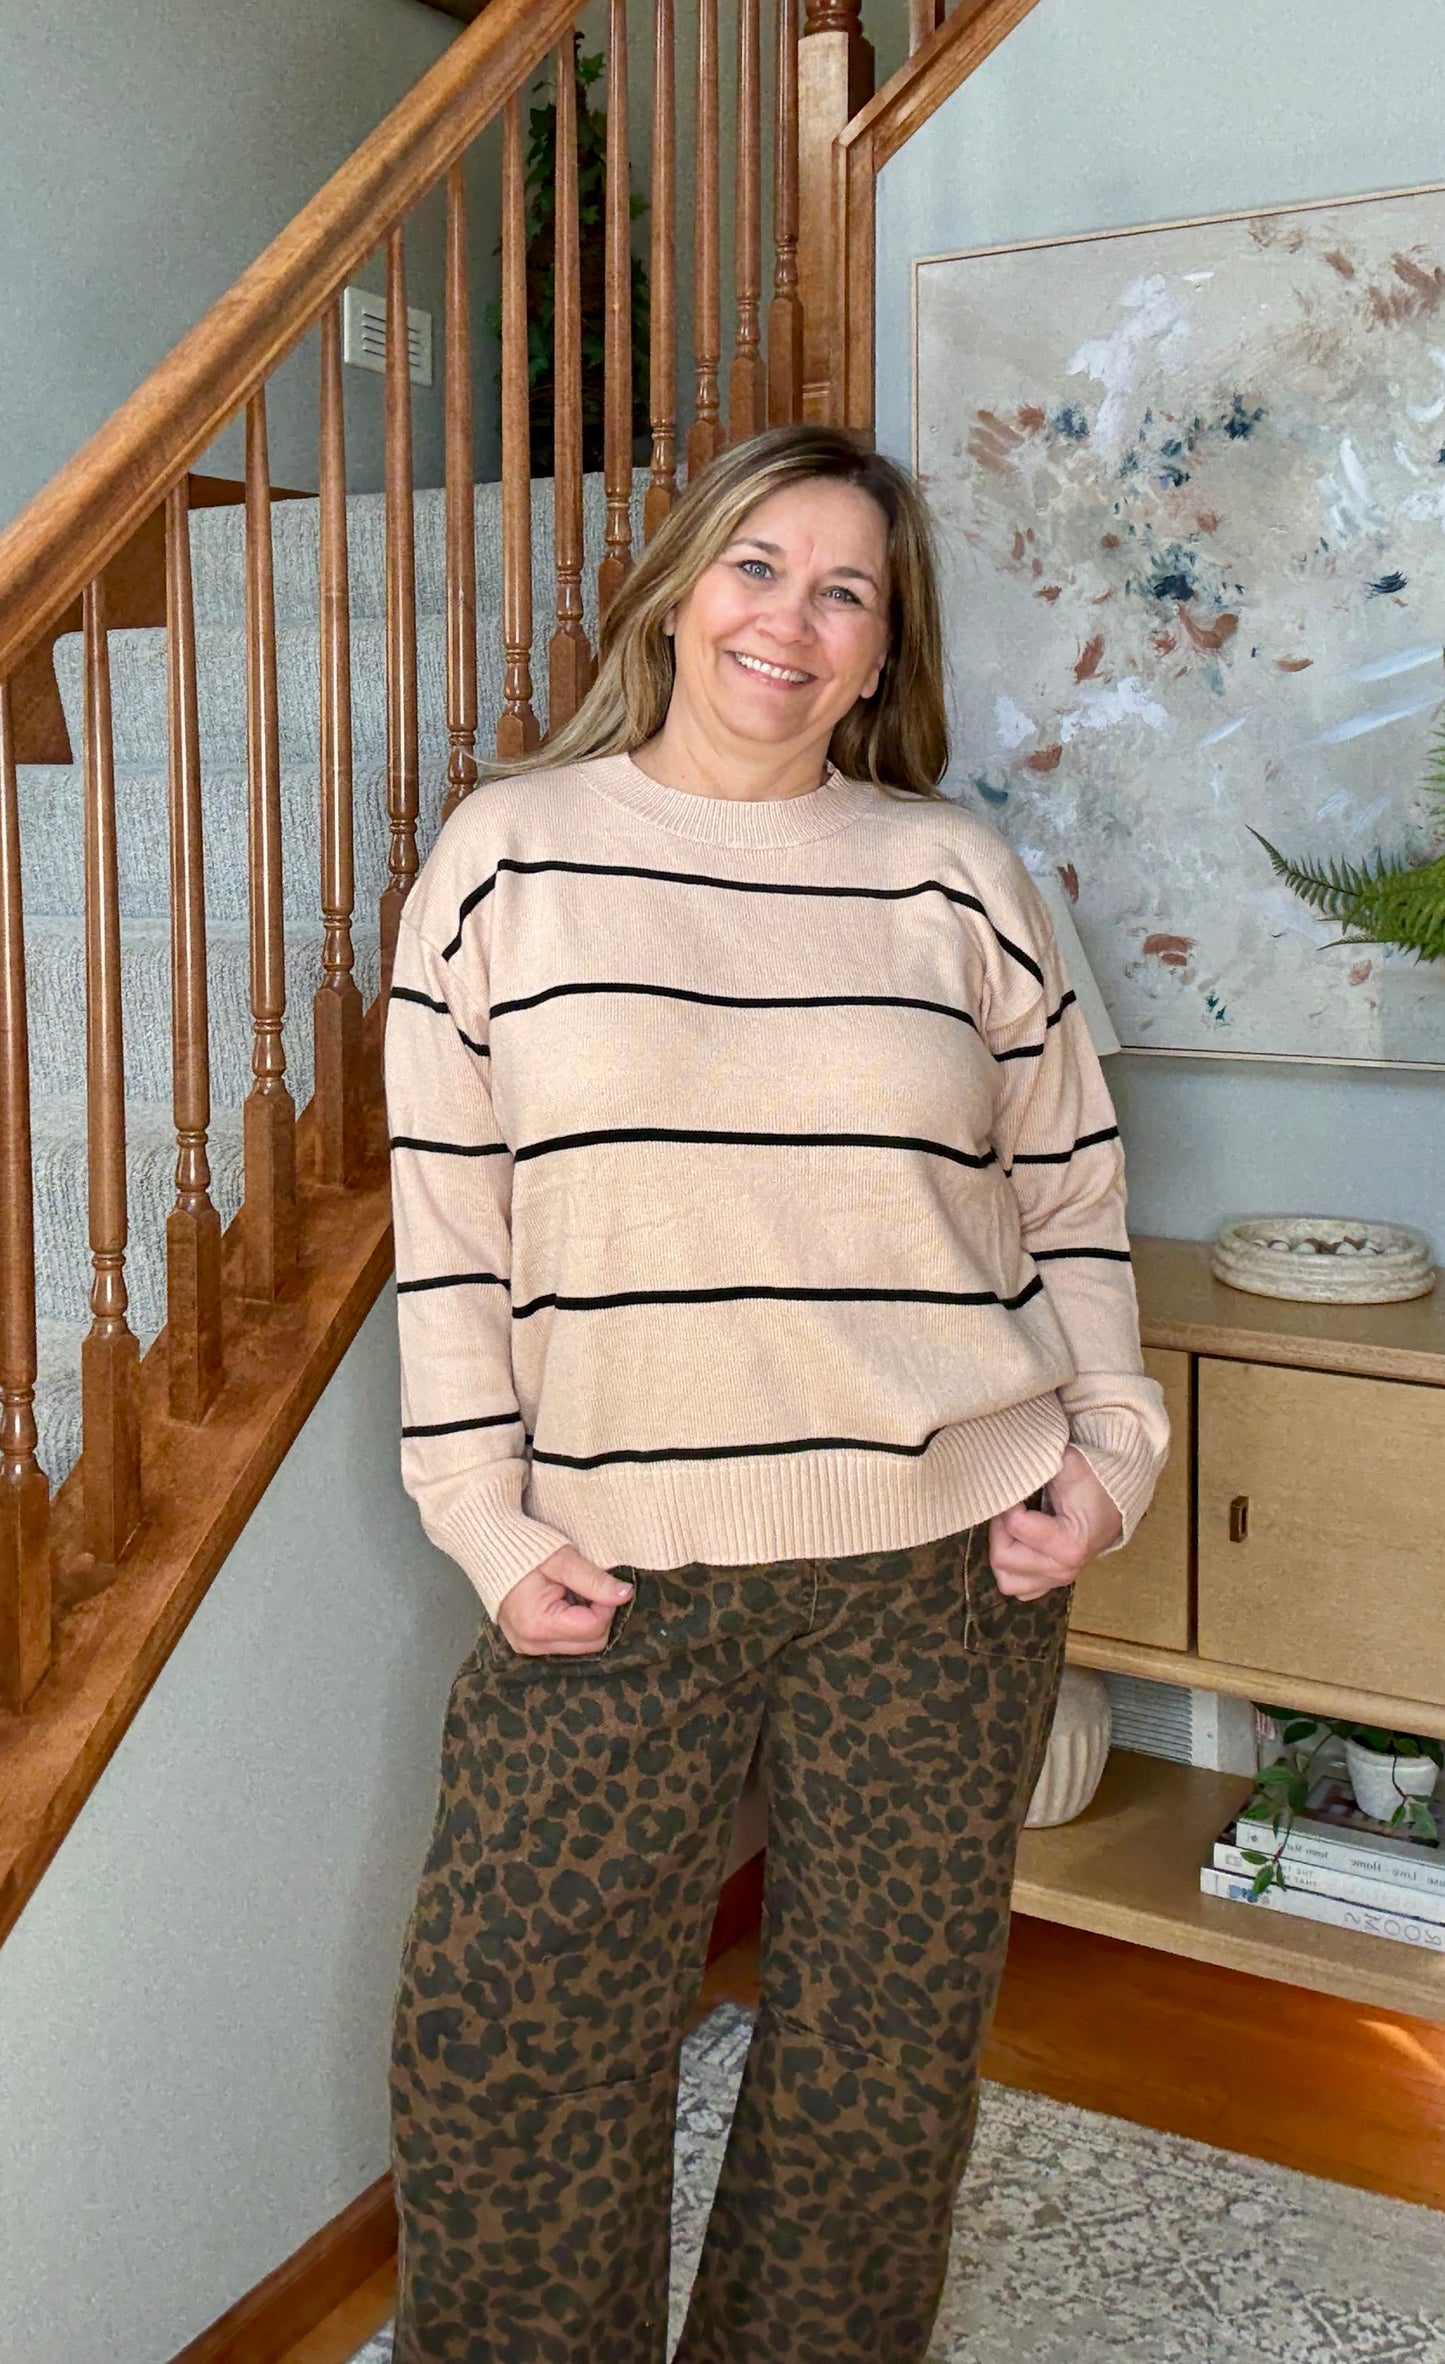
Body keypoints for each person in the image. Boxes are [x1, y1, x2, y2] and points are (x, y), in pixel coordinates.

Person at [384, 422, 1168, 2364]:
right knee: (508, 2043)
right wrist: (480, 1519)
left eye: (844, 592)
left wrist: (1115, 1446)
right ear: (678, 591)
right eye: (757, 565)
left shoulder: (953, 876)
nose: (789, 620)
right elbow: (452, 1233)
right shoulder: (508, 857)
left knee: (872, 2079)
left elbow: (1071, 1197)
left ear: (885, 648)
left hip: (943, 1566)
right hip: (612, 1569)